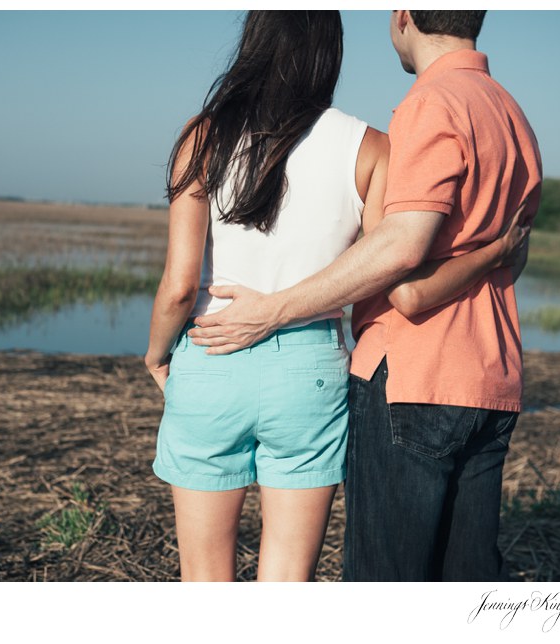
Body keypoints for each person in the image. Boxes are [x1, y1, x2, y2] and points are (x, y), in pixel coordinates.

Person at [146, 10, 531, 582]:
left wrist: (157, 354)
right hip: (311, 368)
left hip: (213, 350)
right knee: (289, 581)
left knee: (203, 579)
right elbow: (379, 268)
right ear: (331, 54)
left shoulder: (203, 134)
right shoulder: (372, 146)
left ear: (252, 42)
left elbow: (180, 284)